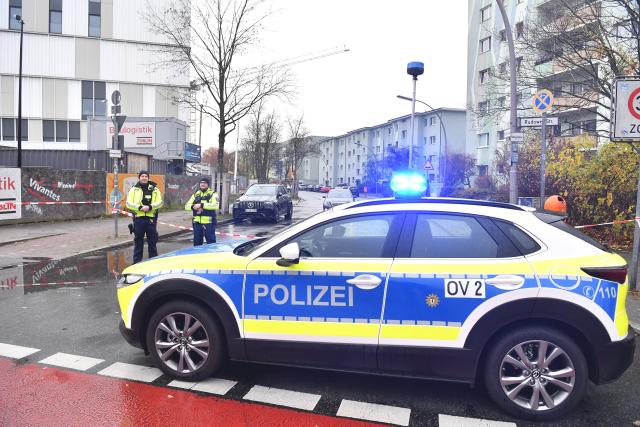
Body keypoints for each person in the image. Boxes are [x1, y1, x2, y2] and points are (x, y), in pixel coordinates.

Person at [125, 170, 163, 264]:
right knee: (138, 242)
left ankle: (153, 263)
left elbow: (160, 203)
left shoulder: (155, 189)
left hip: (151, 218)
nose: (144, 178)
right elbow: (128, 203)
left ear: (148, 178)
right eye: (142, 176)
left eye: (146, 176)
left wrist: (150, 207)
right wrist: (139, 207)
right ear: (139, 178)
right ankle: (137, 263)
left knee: (152, 241)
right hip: (139, 218)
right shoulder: (134, 189)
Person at [185, 177, 219, 246]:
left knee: (211, 243)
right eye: (201, 183)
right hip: (197, 222)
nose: (202, 184)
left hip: (208, 223)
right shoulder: (196, 194)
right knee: (197, 243)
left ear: (208, 184)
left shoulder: (213, 194)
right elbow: (186, 206)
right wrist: (193, 207)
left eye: (204, 183)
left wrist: (202, 205)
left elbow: (216, 205)